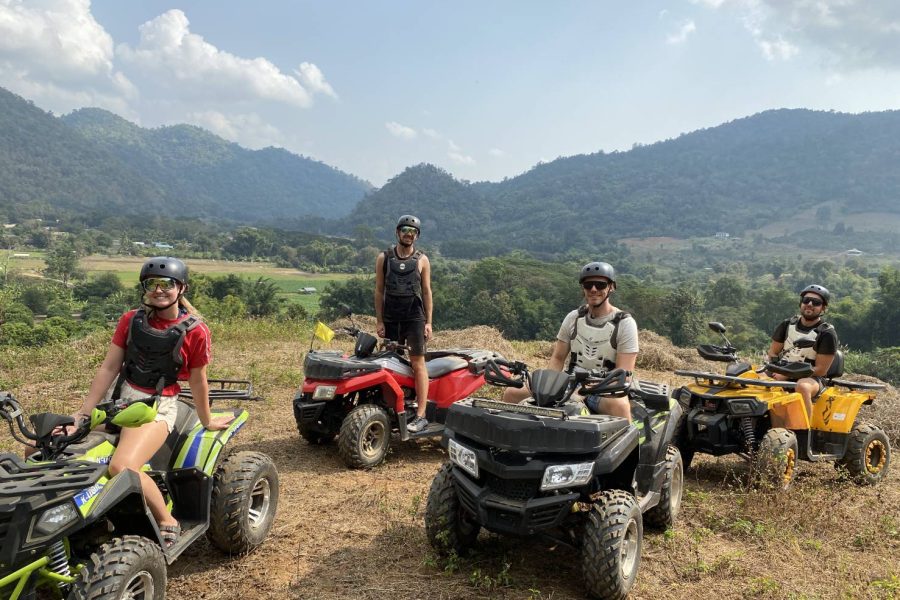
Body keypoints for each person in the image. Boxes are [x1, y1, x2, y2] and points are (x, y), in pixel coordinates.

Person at [67, 257, 233, 547]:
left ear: (182, 288)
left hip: (156, 408)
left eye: (166, 284)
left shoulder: (196, 331)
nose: (158, 290)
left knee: (122, 467)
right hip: (118, 400)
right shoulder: (131, 320)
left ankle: (168, 520)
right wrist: (83, 412)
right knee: (45, 445)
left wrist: (207, 420)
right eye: (151, 284)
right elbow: (109, 368)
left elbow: (197, 380)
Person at [502, 261, 639, 420]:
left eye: (600, 285)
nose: (594, 289)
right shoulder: (574, 317)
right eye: (588, 285)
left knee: (620, 406)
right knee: (512, 393)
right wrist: (547, 388)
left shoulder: (624, 324)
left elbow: (623, 375)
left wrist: (582, 391)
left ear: (611, 287)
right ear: (583, 288)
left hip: (603, 389)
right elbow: (558, 357)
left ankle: (632, 445)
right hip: (569, 381)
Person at [374, 216, 433, 432]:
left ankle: (421, 414)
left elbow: (426, 292)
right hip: (391, 317)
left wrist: (429, 322)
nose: (409, 234)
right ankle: (392, 409)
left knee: (418, 363)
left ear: (417, 236)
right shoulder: (384, 257)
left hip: (414, 317)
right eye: (406, 230)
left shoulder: (422, 260)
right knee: (388, 363)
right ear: (397, 232)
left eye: (413, 231)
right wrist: (379, 320)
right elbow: (379, 290)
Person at [766, 284, 838, 421]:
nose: (810, 304)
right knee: (753, 378)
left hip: (812, 377)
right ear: (801, 303)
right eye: (806, 300)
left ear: (823, 308)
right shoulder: (787, 325)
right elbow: (773, 353)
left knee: (803, 387)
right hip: (782, 369)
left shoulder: (826, 333)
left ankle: (804, 432)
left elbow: (821, 370)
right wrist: (777, 369)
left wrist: (787, 374)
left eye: (816, 302)